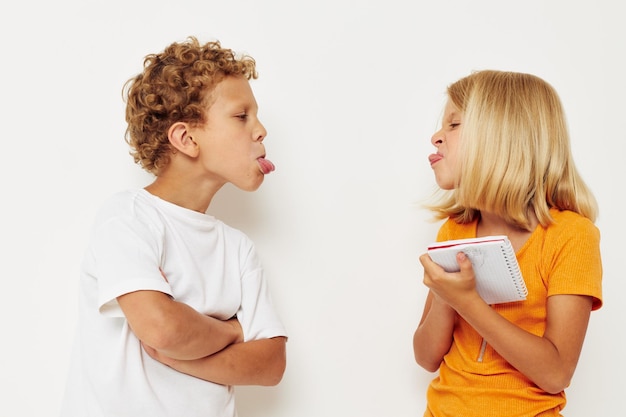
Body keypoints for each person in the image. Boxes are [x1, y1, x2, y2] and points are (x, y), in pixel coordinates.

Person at [60, 36, 288, 417]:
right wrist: (234, 331)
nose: (261, 129)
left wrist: (185, 359)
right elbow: (162, 330)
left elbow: (271, 364)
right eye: (241, 115)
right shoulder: (129, 216)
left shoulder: (238, 248)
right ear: (186, 138)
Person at [412, 70, 602, 417]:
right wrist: (445, 296)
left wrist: (467, 302)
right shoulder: (454, 231)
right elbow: (426, 357)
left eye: (454, 125)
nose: (436, 137)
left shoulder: (571, 236)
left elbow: (556, 372)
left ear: (502, 138)